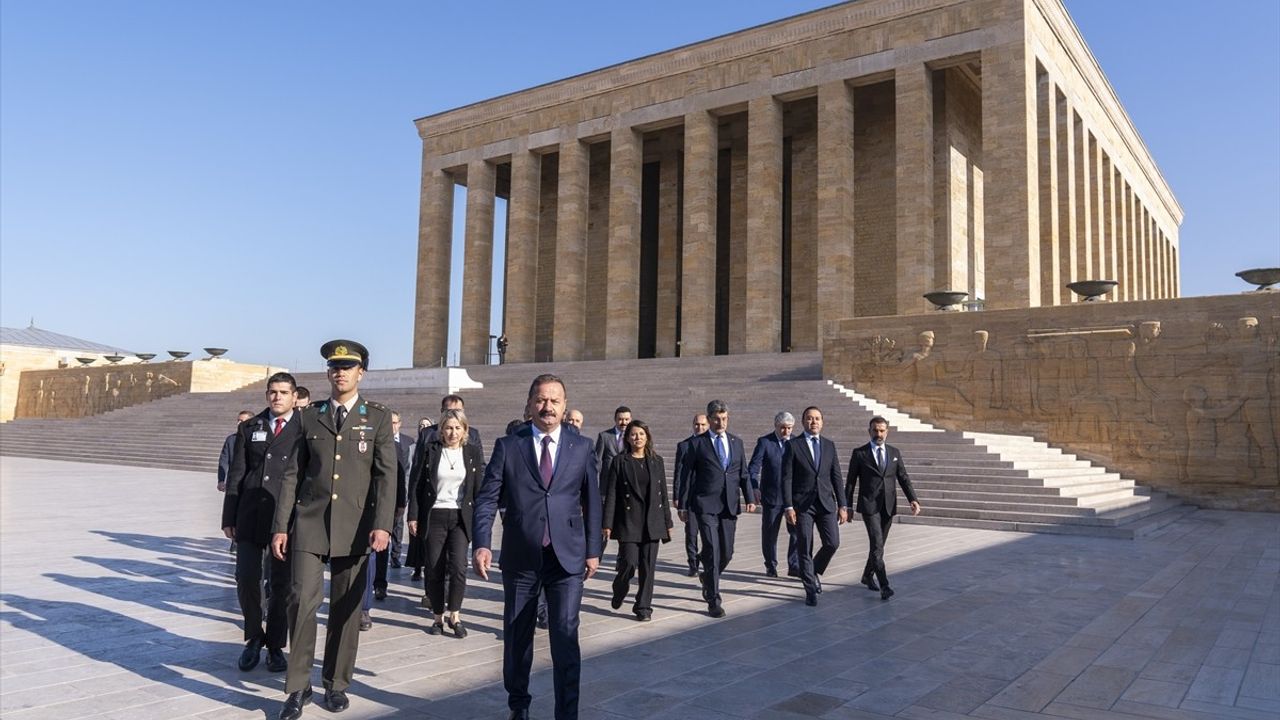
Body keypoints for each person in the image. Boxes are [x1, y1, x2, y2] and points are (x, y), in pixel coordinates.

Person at [271, 340, 396, 719]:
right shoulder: (309, 416)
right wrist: (281, 526)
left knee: (346, 608)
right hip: (310, 524)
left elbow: (387, 476)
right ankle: (298, 687)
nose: (340, 372)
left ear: (361, 372)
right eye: (334, 366)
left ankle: (336, 682)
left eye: (348, 366)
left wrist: (382, 526)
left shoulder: (376, 417)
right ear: (328, 373)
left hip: (356, 526)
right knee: (301, 602)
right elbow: (293, 474)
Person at [473, 374, 602, 720]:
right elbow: (486, 500)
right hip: (521, 557)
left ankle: (567, 712)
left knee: (565, 633)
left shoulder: (582, 447)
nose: (548, 407)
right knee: (517, 637)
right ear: (530, 405)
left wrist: (593, 550)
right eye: (541, 400)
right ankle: (519, 704)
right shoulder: (508, 446)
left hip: (567, 559)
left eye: (555, 401)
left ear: (564, 405)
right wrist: (482, 544)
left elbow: (592, 501)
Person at [222, 373, 299, 673]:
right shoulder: (249, 427)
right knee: (246, 578)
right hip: (250, 515)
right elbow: (236, 474)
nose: (277, 397)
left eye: (283, 392)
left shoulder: (304, 429)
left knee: (281, 585)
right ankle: (254, 636)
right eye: (272, 392)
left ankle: (276, 645)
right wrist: (229, 516)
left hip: (285, 517)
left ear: (294, 396)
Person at [408, 408, 483, 638]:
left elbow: (478, 487)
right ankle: (438, 617)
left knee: (459, 567)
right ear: (441, 430)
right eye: (448, 427)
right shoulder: (431, 451)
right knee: (434, 567)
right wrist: (413, 515)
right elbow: (417, 484)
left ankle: (455, 615)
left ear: (465, 430)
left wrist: (481, 521)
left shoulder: (472, 452)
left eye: (457, 428)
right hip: (435, 514)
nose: (453, 432)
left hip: (460, 516)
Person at [678, 400, 755, 618]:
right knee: (712, 549)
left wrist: (749, 496)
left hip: (729, 505)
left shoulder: (736, 442)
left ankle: (708, 576)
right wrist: (683, 504)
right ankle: (713, 599)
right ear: (709, 419)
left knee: (727, 552)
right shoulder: (697, 444)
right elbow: (686, 476)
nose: (721, 422)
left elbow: (743, 473)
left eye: (724, 418)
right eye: (717, 419)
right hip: (705, 504)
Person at [602, 419, 672, 621]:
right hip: (629, 521)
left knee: (648, 568)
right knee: (629, 563)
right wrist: (607, 523)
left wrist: (668, 522)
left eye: (641, 434)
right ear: (628, 438)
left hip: (653, 521)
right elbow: (612, 493)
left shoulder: (656, 461)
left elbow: (663, 495)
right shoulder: (620, 462)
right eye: (633, 434)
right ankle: (620, 588)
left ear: (647, 437)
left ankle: (643, 608)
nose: (637, 438)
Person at [846, 416, 921, 601]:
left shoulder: (894, 452)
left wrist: (913, 499)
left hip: (888, 506)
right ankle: (885, 585)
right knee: (877, 545)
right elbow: (850, 482)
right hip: (869, 505)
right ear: (869, 431)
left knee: (878, 547)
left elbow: (903, 477)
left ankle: (866, 575)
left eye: (882, 430)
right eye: (875, 430)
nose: (878, 434)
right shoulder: (859, 453)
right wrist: (846, 505)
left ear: (887, 431)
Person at [409, 395, 481, 581]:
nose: (453, 431)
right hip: (434, 509)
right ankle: (432, 596)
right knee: (433, 560)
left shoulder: (473, 435)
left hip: (459, 510)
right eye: (449, 411)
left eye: (459, 412)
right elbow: (417, 477)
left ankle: (451, 599)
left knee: (456, 561)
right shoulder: (428, 435)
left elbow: (479, 470)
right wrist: (413, 514)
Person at [782, 406, 846, 606]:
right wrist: (788, 506)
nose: (814, 422)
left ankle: (813, 570)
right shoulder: (794, 445)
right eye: (809, 419)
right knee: (804, 546)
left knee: (832, 543)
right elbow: (786, 478)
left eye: (817, 418)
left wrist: (843, 504)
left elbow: (836, 476)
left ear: (822, 422)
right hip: (803, 505)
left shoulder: (829, 445)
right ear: (803, 422)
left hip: (826, 503)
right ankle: (810, 589)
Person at [748, 411, 796, 577]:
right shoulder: (765, 442)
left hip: (793, 497)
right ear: (776, 426)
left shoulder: (797, 442)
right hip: (771, 496)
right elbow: (753, 468)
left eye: (789, 428)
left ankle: (794, 564)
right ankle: (771, 565)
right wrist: (754, 487)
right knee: (769, 533)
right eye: (782, 428)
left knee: (797, 532)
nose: (786, 432)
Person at [672, 414, 708, 577]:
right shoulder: (684, 445)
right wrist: (678, 496)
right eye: (696, 424)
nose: (699, 428)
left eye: (702, 425)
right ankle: (693, 563)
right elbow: (679, 472)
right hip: (691, 497)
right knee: (691, 532)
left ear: (707, 425)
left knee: (709, 533)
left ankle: (704, 558)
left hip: (708, 497)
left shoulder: (713, 444)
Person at [218, 410, 254, 492]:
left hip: (251, 484)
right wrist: (221, 480)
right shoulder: (231, 439)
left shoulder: (257, 440)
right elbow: (223, 461)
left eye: (242, 421)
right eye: (238, 420)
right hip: (233, 483)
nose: (238, 423)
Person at [594, 406, 631, 475]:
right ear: (615, 419)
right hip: (608, 478)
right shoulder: (604, 436)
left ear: (630, 419)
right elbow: (597, 461)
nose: (624, 422)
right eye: (620, 419)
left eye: (626, 419)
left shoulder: (634, 437)